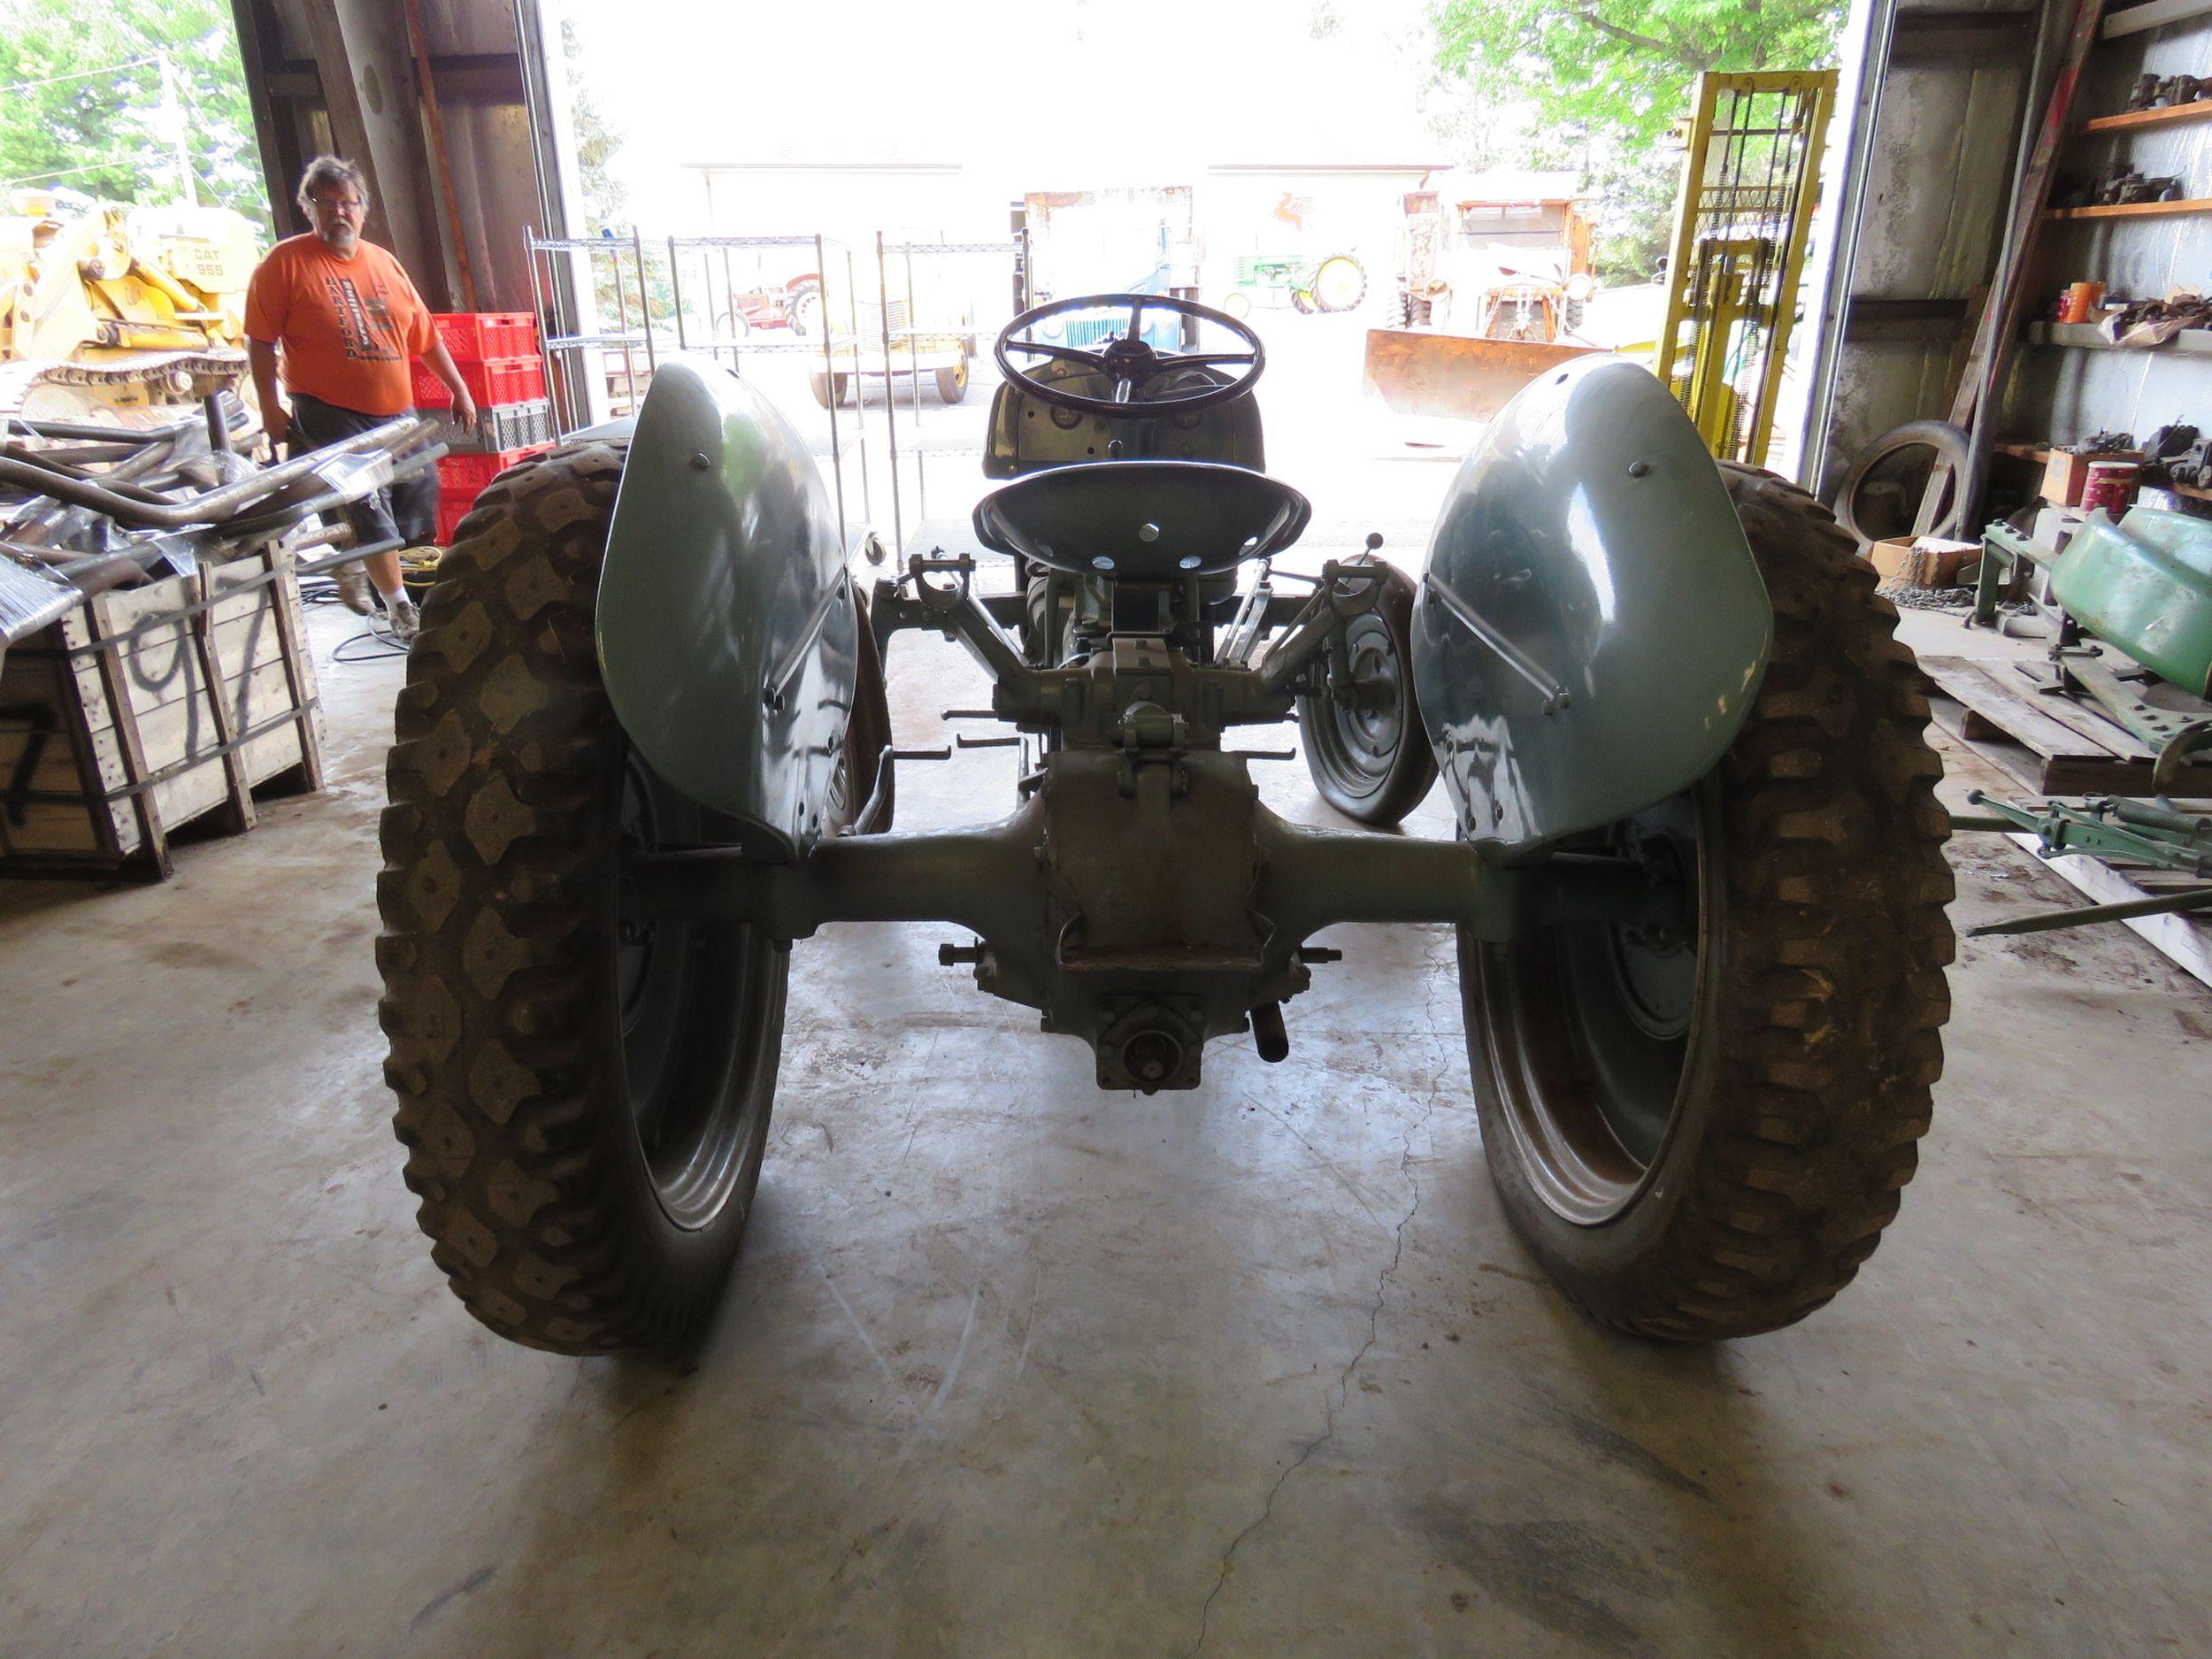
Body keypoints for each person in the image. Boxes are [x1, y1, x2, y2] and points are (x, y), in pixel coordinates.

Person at [244, 156, 476, 642]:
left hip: (396, 413)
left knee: (418, 494)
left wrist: (459, 388)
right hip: (328, 410)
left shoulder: (384, 263)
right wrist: (270, 407)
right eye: (325, 204)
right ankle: (398, 610)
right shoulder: (284, 264)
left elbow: (425, 335)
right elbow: (260, 341)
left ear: (363, 209)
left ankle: (371, 568)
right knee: (366, 502)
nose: (338, 214)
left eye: (347, 203)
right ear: (308, 209)